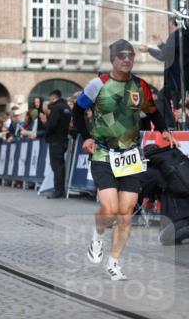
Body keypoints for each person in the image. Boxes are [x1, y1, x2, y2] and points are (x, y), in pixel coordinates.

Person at [72, 39, 174, 281]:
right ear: (113, 59)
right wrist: (86, 137)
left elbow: (152, 112)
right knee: (110, 209)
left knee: (126, 213)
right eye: (121, 55)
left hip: (130, 156)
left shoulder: (141, 86)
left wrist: (164, 130)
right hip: (104, 153)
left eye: (130, 55)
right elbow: (77, 111)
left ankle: (114, 262)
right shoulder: (98, 84)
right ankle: (97, 239)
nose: (126, 59)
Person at [44, 89, 72, 199]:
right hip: (63, 139)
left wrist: (45, 121)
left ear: (53, 97)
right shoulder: (66, 107)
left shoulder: (56, 107)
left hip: (55, 140)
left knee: (57, 166)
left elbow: (52, 124)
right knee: (60, 165)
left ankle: (58, 190)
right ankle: (61, 190)